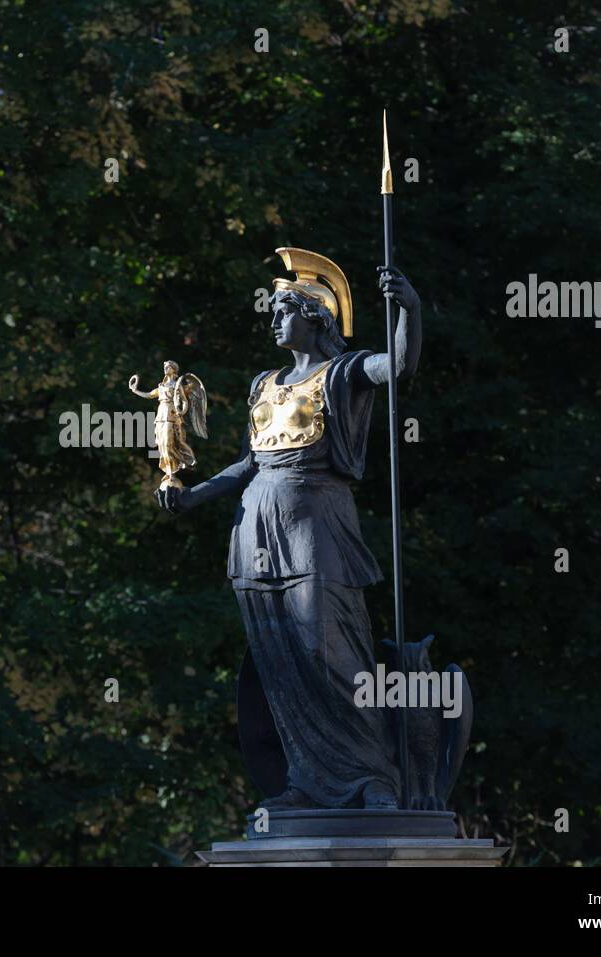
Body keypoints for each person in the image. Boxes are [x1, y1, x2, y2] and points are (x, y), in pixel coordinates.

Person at [156, 254, 422, 810]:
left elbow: (396, 366)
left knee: (331, 649)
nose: (273, 320)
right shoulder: (264, 383)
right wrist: (191, 496)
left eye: (283, 311)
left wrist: (408, 308)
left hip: (316, 525)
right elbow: (250, 462)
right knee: (279, 659)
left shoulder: (344, 372)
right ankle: (305, 779)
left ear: (316, 316)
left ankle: (372, 778)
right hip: (255, 529)